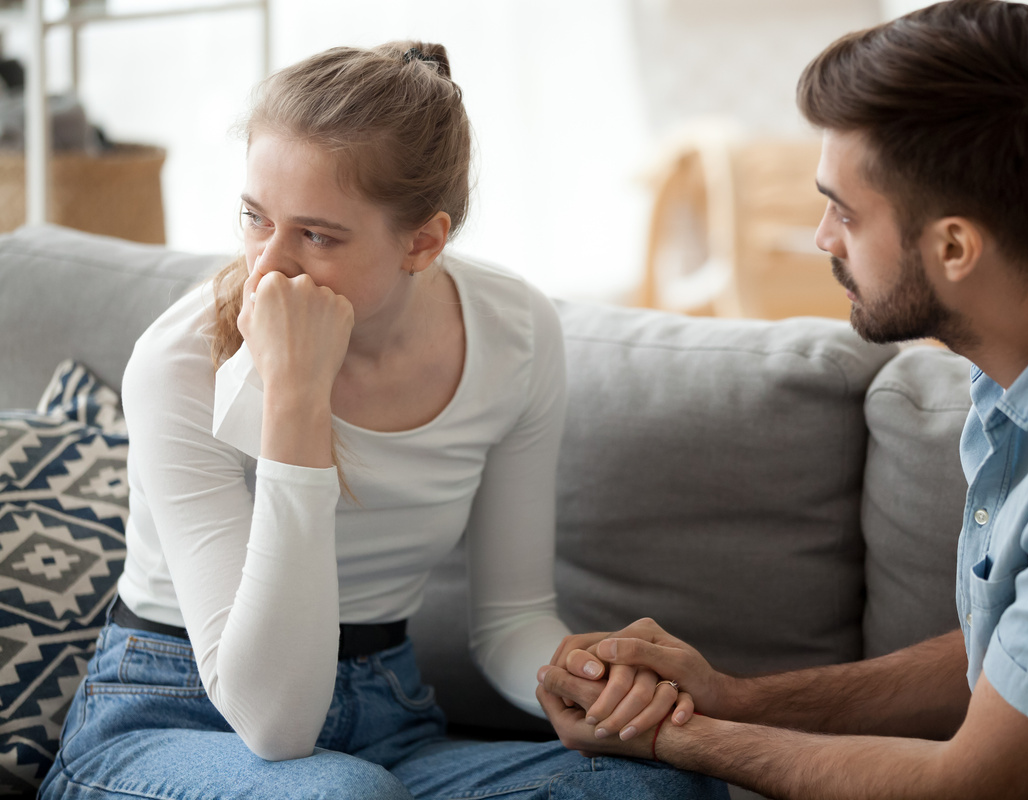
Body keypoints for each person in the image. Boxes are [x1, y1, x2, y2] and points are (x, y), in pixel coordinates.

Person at [536, 2, 1028, 798]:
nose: (823, 237)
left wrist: (675, 736)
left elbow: (970, 782)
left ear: (955, 246)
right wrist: (736, 698)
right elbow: (1019, 653)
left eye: (845, 211)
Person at [39, 42, 727, 800]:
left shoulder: (514, 332)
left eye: (318, 236)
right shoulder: (178, 362)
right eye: (254, 219)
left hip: (386, 718)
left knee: (664, 785)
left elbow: (511, 618)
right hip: (171, 720)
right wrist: (296, 399)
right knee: (342, 795)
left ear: (424, 242)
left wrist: (580, 680)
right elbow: (275, 726)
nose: (268, 269)